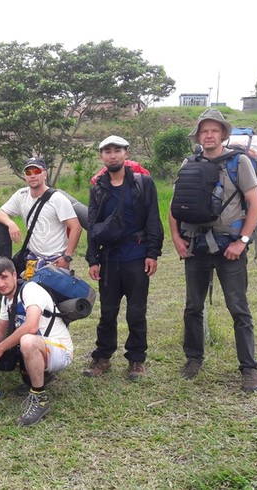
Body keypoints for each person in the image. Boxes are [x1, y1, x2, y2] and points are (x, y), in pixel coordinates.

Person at [168, 108, 257, 392]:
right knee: (192, 307)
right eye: (203, 131)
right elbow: (176, 205)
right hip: (196, 246)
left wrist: (242, 241)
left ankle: (249, 368)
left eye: (214, 131)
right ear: (198, 136)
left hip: (229, 248)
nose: (208, 136)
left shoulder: (239, 162)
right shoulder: (189, 163)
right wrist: (176, 238)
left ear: (223, 134)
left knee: (238, 309)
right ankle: (194, 358)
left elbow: (255, 204)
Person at [83, 135, 163, 381]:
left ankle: (136, 360)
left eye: (117, 150)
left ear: (126, 153)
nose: (112, 155)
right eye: (107, 151)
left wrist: (152, 253)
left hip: (136, 255)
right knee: (108, 311)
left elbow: (153, 218)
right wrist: (93, 259)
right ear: (101, 157)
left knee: (136, 311)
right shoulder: (98, 187)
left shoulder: (143, 183)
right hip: (109, 259)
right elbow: (93, 223)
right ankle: (102, 357)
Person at [0, 257, 73, 426]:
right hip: (40, 348)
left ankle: (40, 399)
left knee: (27, 341)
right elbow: (0, 329)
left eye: (4, 277)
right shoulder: (7, 299)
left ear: (14, 275)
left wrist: (0, 348)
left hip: (59, 350)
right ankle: (38, 377)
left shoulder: (30, 290)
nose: (1, 284)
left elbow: (31, 326)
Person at [0, 157, 81, 276]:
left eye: (36, 171)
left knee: (53, 293)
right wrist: (11, 224)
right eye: (28, 172)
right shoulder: (21, 195)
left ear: (44, 174)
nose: (32, 175)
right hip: (32, 258)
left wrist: (67, 257)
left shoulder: (58, 199)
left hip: (56, 259)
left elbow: (76, 227)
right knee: (30, 290)